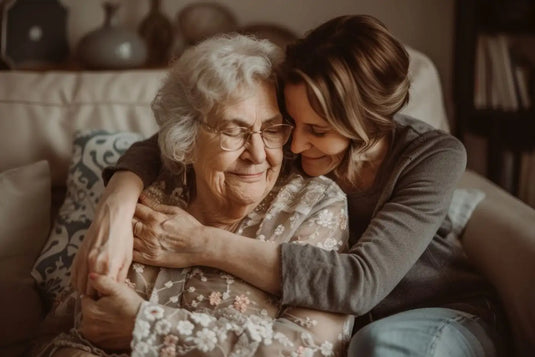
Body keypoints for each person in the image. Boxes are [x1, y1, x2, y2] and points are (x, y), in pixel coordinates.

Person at [72, 15, 506, 356]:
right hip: (355, 328)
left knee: (381, 347)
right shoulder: (291, 137)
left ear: (365, 125)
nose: (295, 144)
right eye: (290, 124)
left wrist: (201, 243)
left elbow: (358, 284)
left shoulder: (433, 156)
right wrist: (116, 202)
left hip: (440, 312)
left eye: (315, 130)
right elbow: (179, 132)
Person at [37, 33, 353, 357]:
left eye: (273, 130)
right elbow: (63, 335)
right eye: (233, 131)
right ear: (186, 139)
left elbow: (309, 348)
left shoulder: (313, 206)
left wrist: (146, 325)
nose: (258, 154)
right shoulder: (148, 200)